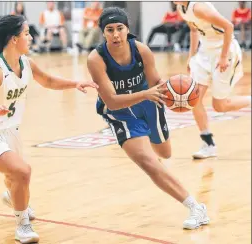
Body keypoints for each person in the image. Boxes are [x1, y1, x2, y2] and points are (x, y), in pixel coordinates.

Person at [0, 15, 98, 243]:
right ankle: (23, 226)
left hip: (10, 131)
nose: (30, 36)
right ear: (13, 39)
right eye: (26, 33)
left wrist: (74, 84)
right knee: (22, 171)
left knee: (15, 178)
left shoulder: (26, 62)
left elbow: (47, 81)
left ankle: (12, 197)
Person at [87, 7, 210, 230]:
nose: (115, 34)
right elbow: (113, 101)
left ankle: (157, 163)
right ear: (103, 33)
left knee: (165, 153)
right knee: (147, 162)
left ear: (127, 29)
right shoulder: (96, 59)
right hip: (120, 113)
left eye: (120, 28)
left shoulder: (141, 50)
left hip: (149, 105)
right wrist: (145, 93)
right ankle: (196, 207)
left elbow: (155, 81)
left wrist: (176, 95)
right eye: (110, 30)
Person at [174, 1, 251, 159]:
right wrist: (191, 57)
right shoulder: (181, 8)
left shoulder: (199, 7)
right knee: (193, 98)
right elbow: (194, 30)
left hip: (225, 51)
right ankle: (208, 144)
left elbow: (229, 26)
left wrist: (223, 57)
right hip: (204, 52)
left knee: (220, 106)